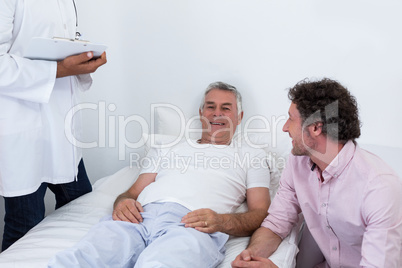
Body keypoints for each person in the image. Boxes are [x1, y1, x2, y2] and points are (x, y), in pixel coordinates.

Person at [48, 82, 272, 267]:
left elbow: (261, 212)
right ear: (201, 113)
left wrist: (222, 221)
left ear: (239, 116)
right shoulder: (169, 147)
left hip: (191, 227)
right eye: (210, 106)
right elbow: (132, 192)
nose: (216, 113)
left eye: (226, 108)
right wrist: (123, 202)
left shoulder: (251, 155)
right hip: (138, 219)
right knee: (82, 258)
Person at [232, 78, 402, 268]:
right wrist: (250, 255)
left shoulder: (379, 187)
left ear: (315, 127)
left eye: (291, 119)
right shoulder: (297, 162)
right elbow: (277, 223)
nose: (285, 127)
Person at [0, 0, 107, 251]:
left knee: (82, 211)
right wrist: (58, 70)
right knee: (25, 226)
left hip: (62, 129)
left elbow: (56, 43)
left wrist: (83, 57)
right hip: (22, 132)